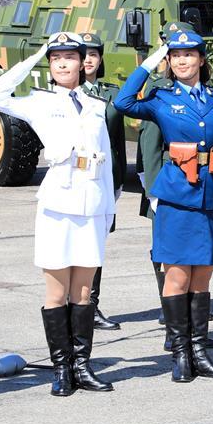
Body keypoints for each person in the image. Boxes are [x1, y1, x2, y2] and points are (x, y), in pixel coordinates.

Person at [0, 31, 114, 396]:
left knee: (84, 291)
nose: (62, 63)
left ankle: (81, 365)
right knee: (57, 292)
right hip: (58, 203)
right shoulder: (39, 101)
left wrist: (107, 211)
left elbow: (105, 164)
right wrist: (33, 55)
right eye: (55, 57)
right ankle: (61, 368)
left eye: (69, 57)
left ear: (83, 63)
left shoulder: (95, 105)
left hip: (90, 201)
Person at [115, 31, 213, 382]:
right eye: (175, 55)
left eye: (189, 54)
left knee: (203, 275)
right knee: (178, 275)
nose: (183, 61)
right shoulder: (160, 98)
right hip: (177, 197)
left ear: (202, 59)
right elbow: (123, 102)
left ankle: (200, 350)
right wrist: (151, 61)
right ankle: (181, 353)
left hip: (212, 195)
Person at [80, 32, 126, 331]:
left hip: (105, 179)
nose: (87, 60)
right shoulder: (67, 93)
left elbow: (119, 141)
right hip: (78, 178)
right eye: (81, 54)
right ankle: (79, 304)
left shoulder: (110, 94)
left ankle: (91, 304)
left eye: (93, 54)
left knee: (96, 244)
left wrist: (120, 179)